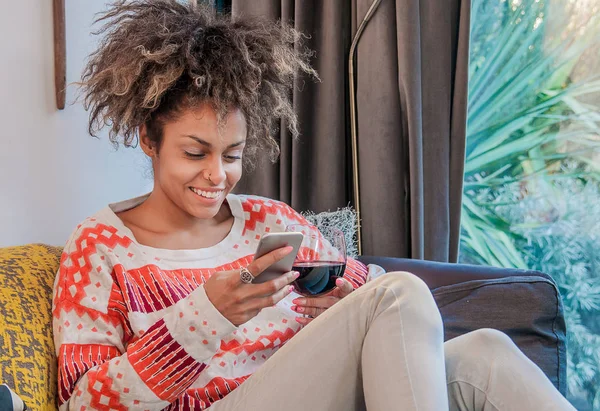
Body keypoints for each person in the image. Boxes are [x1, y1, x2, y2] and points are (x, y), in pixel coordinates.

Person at [52, 1, 575, 410]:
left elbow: (380, 305)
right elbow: (83, 403)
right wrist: (204, 315)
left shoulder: (269, 221)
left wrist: (345, 299)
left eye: (232, 155)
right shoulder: (100, 247)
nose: (218, 176)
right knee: (397, 294)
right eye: (195, 153)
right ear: (149, 138)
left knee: (485, 354)